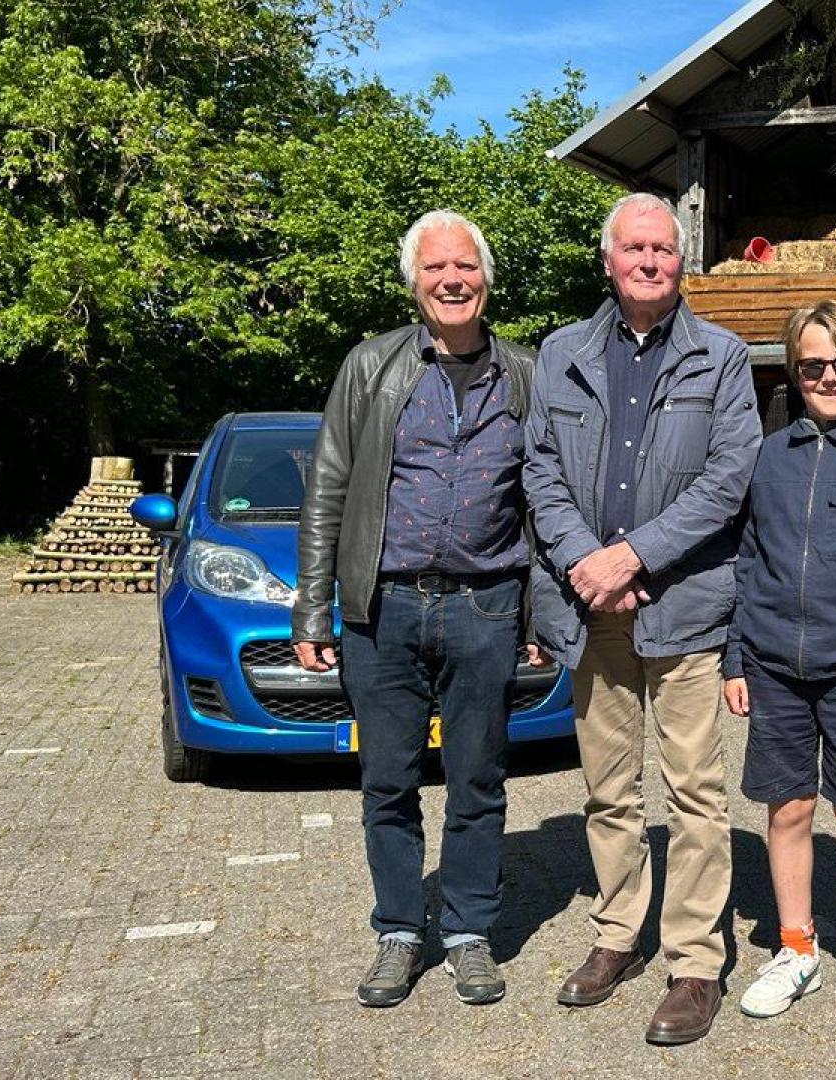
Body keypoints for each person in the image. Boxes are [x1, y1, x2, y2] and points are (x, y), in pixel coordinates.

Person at [523, 192, 760, 1045]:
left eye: (663, 248)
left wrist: (636, 555)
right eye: (635, 248)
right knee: (606, 787)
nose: (650, 261)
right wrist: (590, 561)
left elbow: (731, 477)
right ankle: (618, 934)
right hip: (594, 608)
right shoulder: (560, 354)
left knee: (694, 790)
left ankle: (694, 960)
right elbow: (539, 469)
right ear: (609, 259)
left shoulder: (723, 357)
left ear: (681, 261)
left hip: (685, 601)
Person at [293, 209, 536, 1008]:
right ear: (413, 281)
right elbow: (327, 488)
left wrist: (542, 617)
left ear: (486, 278)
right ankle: (399, 930)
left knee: (479, 780)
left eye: (464, 266)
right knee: (387, 781)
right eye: (435, 269)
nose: (451, 281)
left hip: (488, 605)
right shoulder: (371, 367)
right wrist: (311, 610)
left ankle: (468, 934)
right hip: (385, 608)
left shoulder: (522, 374)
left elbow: (545, 497)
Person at [721, 301, 836, 1046]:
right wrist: (736, 655)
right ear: (793, 374)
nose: (828, 377)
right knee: (788, 810)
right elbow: (749, 559)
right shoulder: (769, 456)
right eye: (812, 366)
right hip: (773, 665)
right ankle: (796, 950)